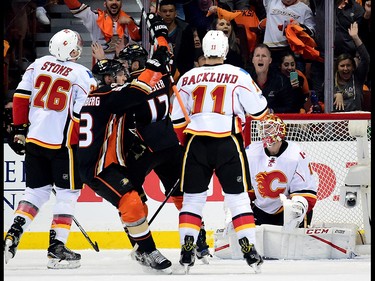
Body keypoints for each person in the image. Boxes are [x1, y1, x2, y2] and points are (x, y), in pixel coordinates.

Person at [77, 23, 174, 273]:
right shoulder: (111, 98)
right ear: (109, 80)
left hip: (108, 162)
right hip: (98, 168)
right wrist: (155, 64)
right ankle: (149, 251)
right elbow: (140, 90)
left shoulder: (99, 95)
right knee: (130, 202)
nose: (123, 77)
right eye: (119, 74)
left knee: (137, 201)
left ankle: (141, 249)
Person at [171, 30, 268, 272]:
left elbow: (175, 120)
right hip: (228, 142)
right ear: (225, 49)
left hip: (195, 143)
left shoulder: (186, 77)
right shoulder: (239, 75)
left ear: (204, 49)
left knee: (192, 200)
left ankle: (186, 247)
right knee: (238, 199)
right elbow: (260, 112)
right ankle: (249, 248)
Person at [4, 29, 97, 269]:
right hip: (63, 145)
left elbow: (21, 98)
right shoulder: (82, 74)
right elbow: (81, 116)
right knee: (67, 194)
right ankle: (56, 249)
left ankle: (12, 235)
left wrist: (19, 130)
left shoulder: (38, 64)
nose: (78, 51)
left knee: (35, 193)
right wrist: (82, 147)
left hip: (34, 139)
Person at [117, 42, 212, 262]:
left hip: (144, 147)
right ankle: (200, 243)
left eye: (126, 62)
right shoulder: (164, 76)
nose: (124, 67)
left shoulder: (131, 86)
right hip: (169, 142)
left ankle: (139, 244)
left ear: (137, 62)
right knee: (185, 196)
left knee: (129, 197)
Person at [245, 114, 317, 228]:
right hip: (260, 210)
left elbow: (306, 193)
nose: (265, 131)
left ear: (281, 130)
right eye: (263, 127)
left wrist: (296, 209)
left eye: (269, 127)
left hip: (287, 210)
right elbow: (245, 188)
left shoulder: (295, 154)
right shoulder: (251, 152)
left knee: (293, 242)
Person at [63, 0, 141, 60]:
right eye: (110, 0)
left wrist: (130, 23)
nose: (114, 2)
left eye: (117, 0)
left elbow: (137, 40)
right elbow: (76, 7)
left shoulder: (128, 21)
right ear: (104, 4)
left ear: (121, 4)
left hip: (122, 68)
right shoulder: (95, 18)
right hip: (100, 67)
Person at [261, 0, 316, 70]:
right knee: (271, 79)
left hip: (291, 53)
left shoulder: (305, 9)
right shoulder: (271, 2)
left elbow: (312, 32)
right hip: (270, 51)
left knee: (294, 79)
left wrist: (300, 27)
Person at [247, 43, 296, 113]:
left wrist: (272, 111)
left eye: (264, 56)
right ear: (252, 60)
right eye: (257, 56)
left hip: (275, 120)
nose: (260, 59)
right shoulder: (245, 79)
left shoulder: (281, 81)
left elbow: (290, 107)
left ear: (270, 60)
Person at [332, 22, 370, 112]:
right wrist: (336, 95)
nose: (345, 69)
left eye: (348, 65)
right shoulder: (331, 81)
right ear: (337, 68)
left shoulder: (358, 78)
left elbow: (366, 59)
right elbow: (322, 95)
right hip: (336, 121)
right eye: (342, 66)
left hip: (355, 119)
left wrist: (355, 38)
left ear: (353, 67)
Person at [158, 0, 196, 76]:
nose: (168, 14)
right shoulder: (156, 29)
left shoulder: (185, 29)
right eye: (164, 11)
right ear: (159, 13)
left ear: (176, 13)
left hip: (182, 72)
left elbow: (190, 54)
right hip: (160, 73)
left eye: (171, 11)